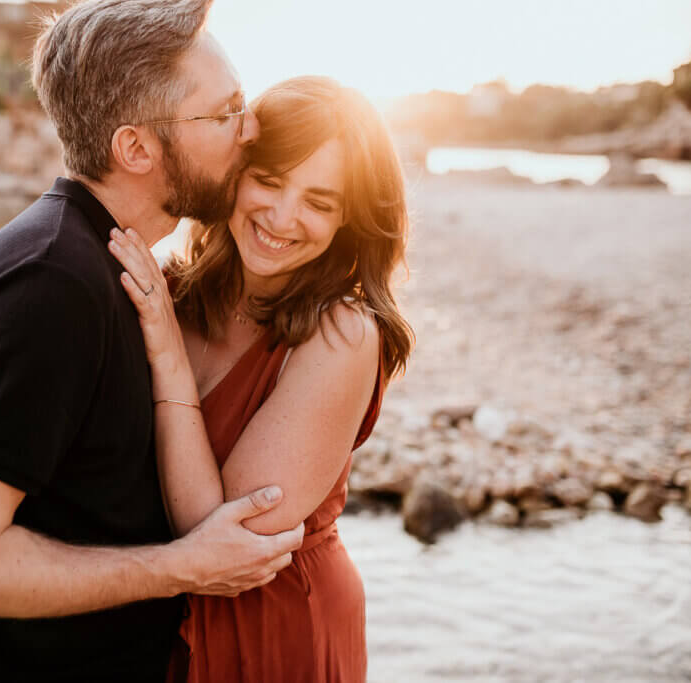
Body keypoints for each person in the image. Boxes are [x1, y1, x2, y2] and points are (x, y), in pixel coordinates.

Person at [0, 2, 304, 682]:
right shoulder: (51, 284)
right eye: (225, 111)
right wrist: (183, 566)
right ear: (136, 147)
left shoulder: (98, 264)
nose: (251, 127)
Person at [106, 75, 415, 682]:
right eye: (268, 182)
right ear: (234, 171)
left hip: (278, 632)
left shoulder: (345, 334)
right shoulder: (171, 291)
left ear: (349, 217)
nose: (283, 216)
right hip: (150, 623)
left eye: (319, 202)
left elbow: (221, 539)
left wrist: (168, 357)